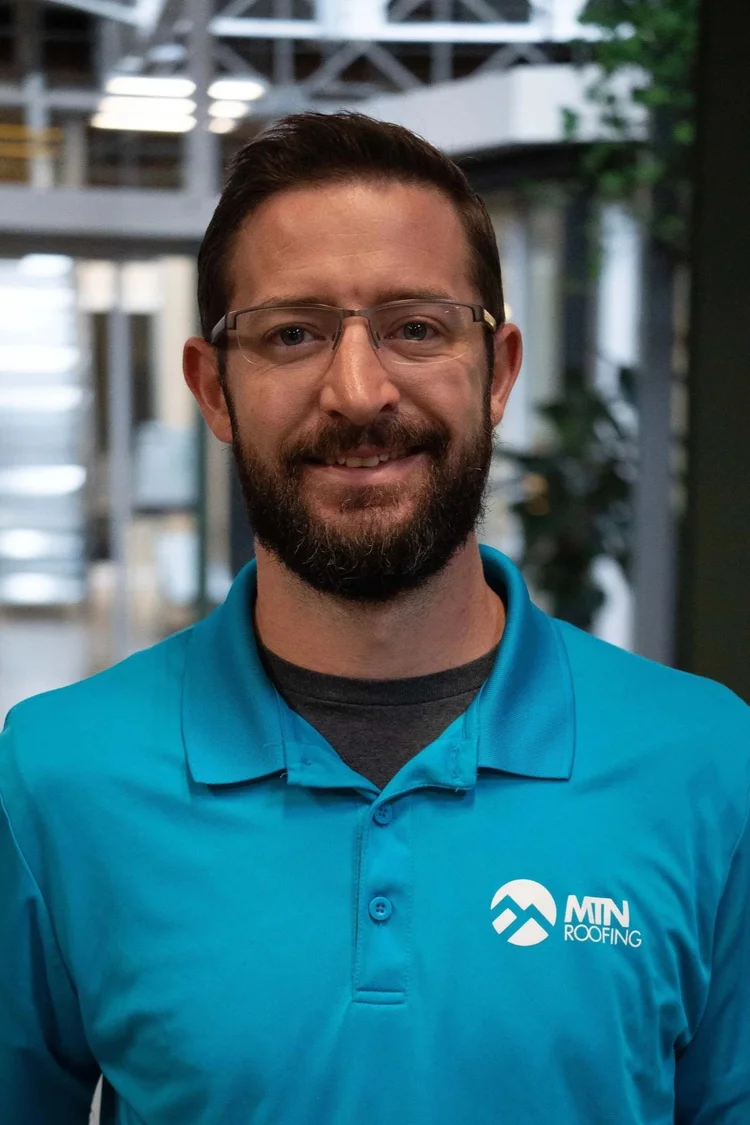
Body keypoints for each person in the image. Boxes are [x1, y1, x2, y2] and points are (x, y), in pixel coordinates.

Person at [1, 112, 748, 1125]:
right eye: (293, 333)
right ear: (214, 389)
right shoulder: (56, 777)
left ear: (499, 371)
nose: (358, 392)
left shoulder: (708, 766)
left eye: (416, 328)